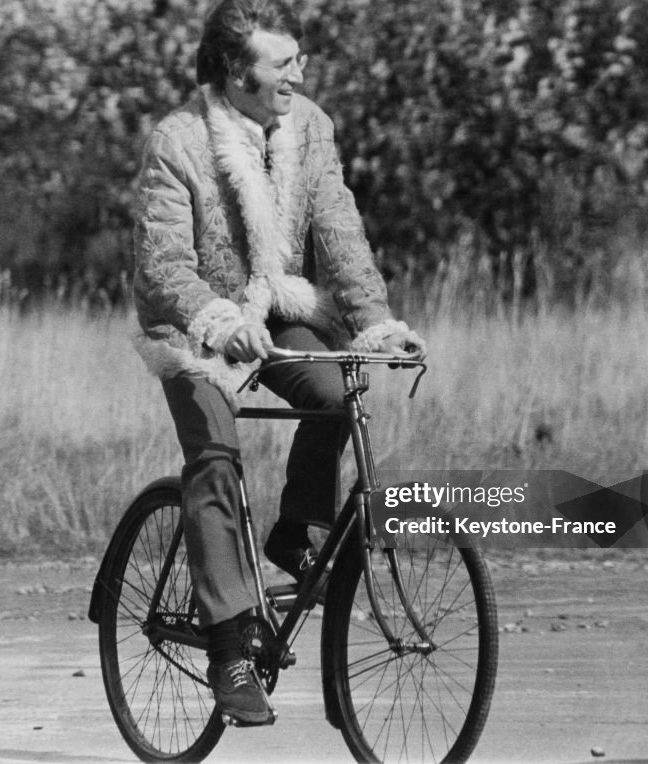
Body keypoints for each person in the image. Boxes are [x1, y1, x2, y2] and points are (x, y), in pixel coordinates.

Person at [131, 0, 425, 725]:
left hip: (283, 307)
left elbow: (340, 230)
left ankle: (294, 529)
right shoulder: (178, 140)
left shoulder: (311, 126)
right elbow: (161, 264)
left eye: (299, 58)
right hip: (191, 324)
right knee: (215, 457)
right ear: (237, 72)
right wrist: (220, 320)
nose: (300, 71)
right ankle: (229, 648)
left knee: (337, 393)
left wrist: (377, 325)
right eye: (282, 62)